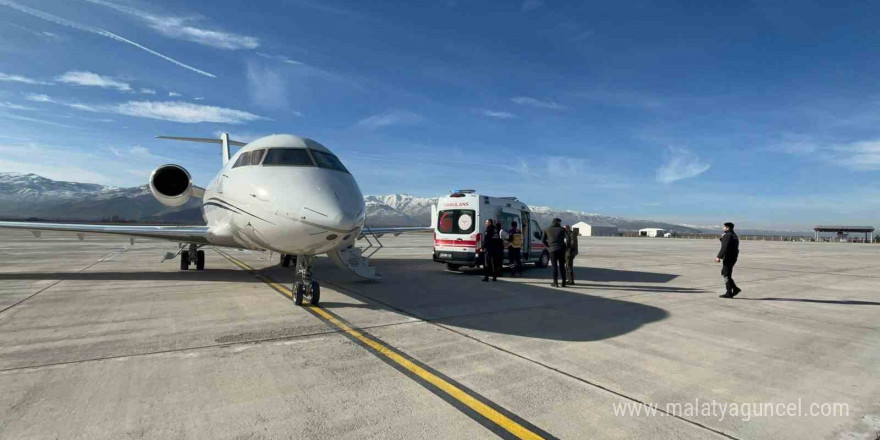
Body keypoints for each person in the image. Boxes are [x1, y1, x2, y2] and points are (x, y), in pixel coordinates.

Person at [715, 222, 741, 298]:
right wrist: (722, 238)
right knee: (725, 273)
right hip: (733, 257)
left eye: (724, 227)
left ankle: (729, 292)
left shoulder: (728, 235)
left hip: (728, 257)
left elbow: (724, 247)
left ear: (727, 228)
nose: (723, 228)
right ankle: (735, 289)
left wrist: (718, 257)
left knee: (726, 274)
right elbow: (729, 244)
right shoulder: (734, 235)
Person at [542, 218, 568, 287]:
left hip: (552, 250)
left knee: (554, 267)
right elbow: (568, 238)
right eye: (560, 222)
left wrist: (549, 246)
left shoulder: (546, 229)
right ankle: (563, 283)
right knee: (562, 267)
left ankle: (555, 283)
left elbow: (543, 240)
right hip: (561, 250)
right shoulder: (562, 229)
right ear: (558, 222)